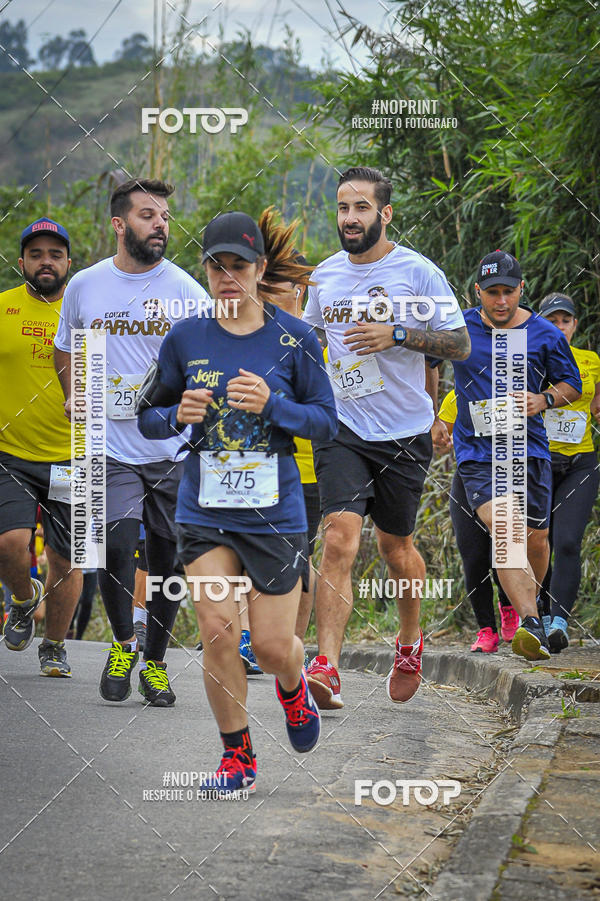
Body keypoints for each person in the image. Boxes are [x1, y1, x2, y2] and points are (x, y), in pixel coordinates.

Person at [138, 210, 337, 793]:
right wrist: (176, 413)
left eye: (240, 266)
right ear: (206, 270)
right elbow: (146, 415)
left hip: (274, 514)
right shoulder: (185, 337)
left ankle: (293, 685)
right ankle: (237, 757)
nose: (228, 276)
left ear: (260, 269)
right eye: (217, 266)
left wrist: (275, 405)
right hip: (204, 511)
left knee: (274, 648)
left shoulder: (294, 339)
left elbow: (326, 425)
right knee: (221, 631)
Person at [302, 165, 470, 708]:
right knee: (339, 538)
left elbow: (460, 344)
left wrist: (396, 332)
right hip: (341, 427)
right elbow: (308, 345)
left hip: (402, 431)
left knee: (397, 549)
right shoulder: (324, 276)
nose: (350, 219)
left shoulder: (417, 273)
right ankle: (326, 664)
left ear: (385, 213)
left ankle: (408, 642)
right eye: (343, 208)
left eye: (361, 209)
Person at [54, 178, 210, 705]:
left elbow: (207, 362)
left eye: (164, 215)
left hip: (170, 450)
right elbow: (65, 350)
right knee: (117, 543)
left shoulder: (187, 291)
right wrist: (74, 393)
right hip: (108, 444)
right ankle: (123, 644)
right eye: (148, 215)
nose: (160, 225)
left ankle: (157, 662)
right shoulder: (86, 286)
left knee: (168, 561)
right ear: (119, 225)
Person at [447, 251, 582, 660]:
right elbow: (422, 361)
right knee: (504, 525)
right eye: (492, 293)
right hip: (479, 454)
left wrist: (543, 399)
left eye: (508, 292)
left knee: (537, 541)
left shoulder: (544, 333)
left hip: (531, 451)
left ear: (521, 290)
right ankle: (528, 622)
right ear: (478, 292)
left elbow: (570, 385)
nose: (501, 301)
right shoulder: (460, 330)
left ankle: (533, 612)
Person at [0, 217, 82, 676]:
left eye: (54, 254)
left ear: (69, 262)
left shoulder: (84, 310)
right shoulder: (2, 307)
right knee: (10, 542)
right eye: (36, 254)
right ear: (21, 263)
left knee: (67, 560)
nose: (45, 262)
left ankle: (54, 645)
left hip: (75, 455)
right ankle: (23, 597)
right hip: (10, 451)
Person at [536, 293, 600, 651]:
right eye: (552, 321)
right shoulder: (531, 358)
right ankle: (540, 615)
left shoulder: (591, 361)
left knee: (568, 542)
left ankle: (559, 620)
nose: (560, 327)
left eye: (566, 320)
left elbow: (595, 402)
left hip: (581, 462)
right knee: (537, 541)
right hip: (540, 463)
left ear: (575, 324)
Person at [434, 388, 520, 652]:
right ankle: (486, 630)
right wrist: (440, 441)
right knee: (473, 555)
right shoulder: (455, 397)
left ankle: (509, 607)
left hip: (507, 474)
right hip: (468, 478)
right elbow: (439, 440)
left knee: (503, 548)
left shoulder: (514, 392)